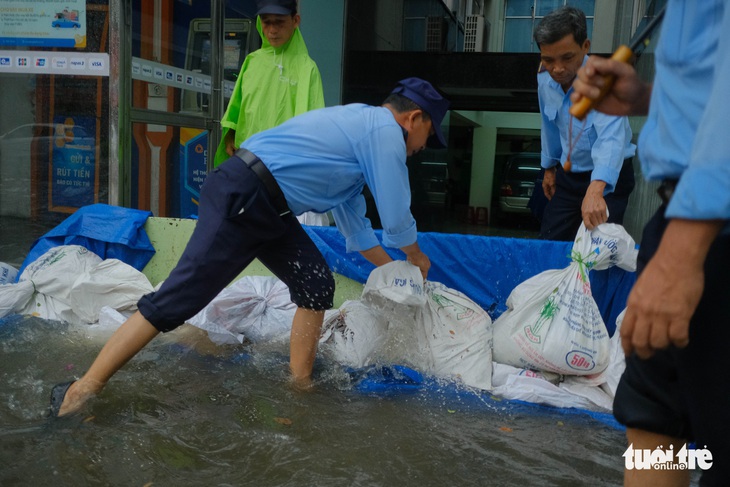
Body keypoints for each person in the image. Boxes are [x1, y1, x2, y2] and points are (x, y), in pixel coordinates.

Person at [49, 77, 450, 417]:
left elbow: (359, 233)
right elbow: (397, 216)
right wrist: (414, 255)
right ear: (414, 118)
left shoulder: (357, 151)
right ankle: (83, 388)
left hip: (268, 207)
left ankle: (300, 385)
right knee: (177, 300)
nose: (421, 148)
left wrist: (399, 272)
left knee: (315, 285)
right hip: (244, 193)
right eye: (427, 136)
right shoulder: (383, 131)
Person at [571, 1, 729, 485]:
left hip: (706, 226)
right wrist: (646, 99)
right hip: (679, 216)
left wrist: (684, 250)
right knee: (654, 419)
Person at [215, 0, 328, 226]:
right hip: (249, 165)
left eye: (279, 22)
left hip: (287, 174)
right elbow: (236, 108)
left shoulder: (307, 68)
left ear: (295, 21)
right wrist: (230, 134)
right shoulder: (252, 62)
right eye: (266, 23)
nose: (272, 30)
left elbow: (315, 123)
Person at [533, 6, 636, 240]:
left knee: (598, 250)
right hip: (570, 176)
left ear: (585, 46)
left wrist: (597, 187)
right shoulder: (544, 79)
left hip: (611, 178)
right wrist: (549, 168)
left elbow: (612, 139)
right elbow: (549, 125)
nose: (557, 69)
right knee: (550, 240)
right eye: (548, 60)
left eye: (567, 58)